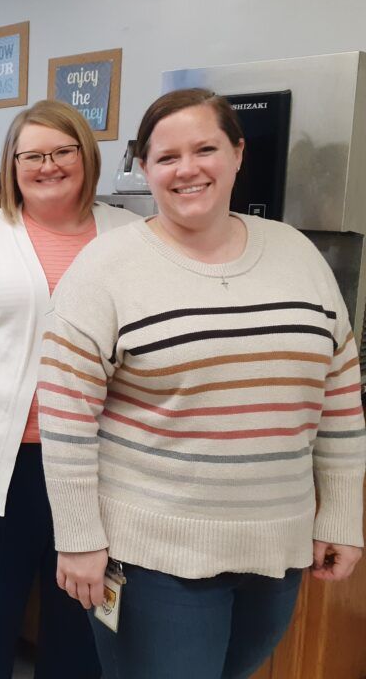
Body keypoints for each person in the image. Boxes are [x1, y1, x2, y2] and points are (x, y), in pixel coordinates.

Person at [39, 88, 366, 679]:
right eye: (167, 157)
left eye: (206, 149)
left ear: (238, 154)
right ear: (145, 170)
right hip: (151, 557)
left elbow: (339, 399)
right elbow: (66, 417)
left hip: (276, 549)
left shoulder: (299, 256)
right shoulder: (106, 268)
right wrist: (79, 536)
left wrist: (340, 516)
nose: (187, 169)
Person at [0, 100, 135, 678]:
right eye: (32, 155)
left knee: (80, 615)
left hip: (99, 463)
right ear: (12, 164)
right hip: (1, 462)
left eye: (62, 151)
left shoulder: (132, 234)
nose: (48, 165)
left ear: (86, 157)